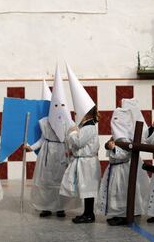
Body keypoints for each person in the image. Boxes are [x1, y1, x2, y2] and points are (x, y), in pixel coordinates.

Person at [26, 72, 80, 217]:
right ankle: (46, 207)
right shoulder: (45, 122)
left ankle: (60, 207)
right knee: (46, 181)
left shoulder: (70, 123)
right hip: (48, 154)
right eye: (56, 105)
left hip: (63, 153)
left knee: (61, 180)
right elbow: (43, 139)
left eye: (62, 104)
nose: (59, 107)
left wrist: (73, 151)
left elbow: (74, 140)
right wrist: (31, 147)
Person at [97, 98, 150, 226]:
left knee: (122, 192)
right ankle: (119, 213)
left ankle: (124, 214)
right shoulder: (117, 136)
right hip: (116, 167)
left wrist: (113, 148)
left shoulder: (125, 137)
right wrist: (110, 146)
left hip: (122, 168)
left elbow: (124, 153)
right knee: (118, 191)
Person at [60, 64, 101, 224]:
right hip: (84, 162)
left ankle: (89, 214)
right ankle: (87, 213)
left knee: (88, 189)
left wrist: (72, 132)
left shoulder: (89, 127)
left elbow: (78, 142)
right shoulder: (86, 126)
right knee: (85, 188)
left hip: (87, 162)